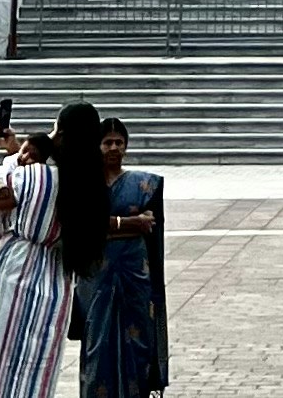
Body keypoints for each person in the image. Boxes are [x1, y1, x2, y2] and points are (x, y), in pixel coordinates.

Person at [0, 102, 108, 398]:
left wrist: (12, 165)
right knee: (37, 371)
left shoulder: (30, 177)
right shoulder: (91, 185)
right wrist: (17, 150)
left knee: (6, 367)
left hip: (16, 272)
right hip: (56, 281)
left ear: (61, 133)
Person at [80, 114, 167, 397]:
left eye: (119, 142)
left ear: (126, 146)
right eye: (107, 143)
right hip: (97, 275)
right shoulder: (86, 185)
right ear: (97, 146)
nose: (114, 148)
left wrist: (109, 226)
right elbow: (84, 228)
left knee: (137, 341)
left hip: (135, 274)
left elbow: (150, 224)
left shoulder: (145, 185)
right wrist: (130, 224)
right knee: (98, 342)